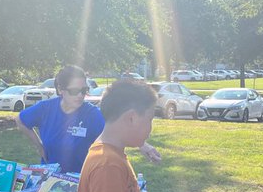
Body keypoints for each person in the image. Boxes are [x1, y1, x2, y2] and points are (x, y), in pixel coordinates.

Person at [16, 65, 159, 176]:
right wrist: (39, 145)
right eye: (74, 91)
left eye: (83, 90)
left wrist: (143, 146)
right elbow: (20, 120)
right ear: (60, 90)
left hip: (80, 182)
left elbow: (117, 129)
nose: (80, 95)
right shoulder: (45, 109)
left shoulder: (91, 114)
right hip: (49, 181)